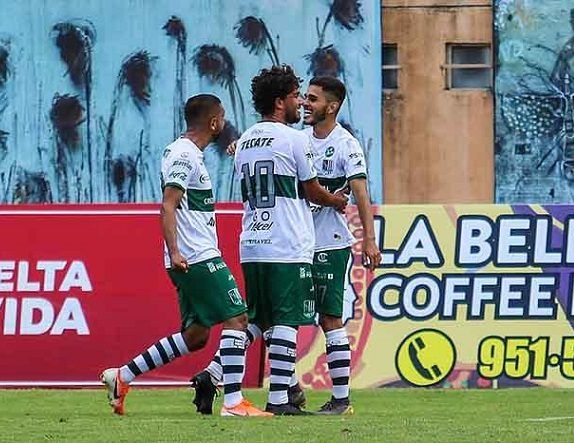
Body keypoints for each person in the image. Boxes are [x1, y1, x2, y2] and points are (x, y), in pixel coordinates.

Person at [100, 94, 271, 417]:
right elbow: (168, 203)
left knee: (195, 336)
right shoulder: (183, 154)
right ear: (212, 122)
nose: (223, 122)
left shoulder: (188, 152)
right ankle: (234, 403)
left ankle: (123, 375)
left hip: (190, 255)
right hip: (196, 256)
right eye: (221, 116)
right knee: (238, 318)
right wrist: (176, 251)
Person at [191, 65, 348, 416]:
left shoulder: (244, 139)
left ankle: (215, 373)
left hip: (252, 242)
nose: (299, 104)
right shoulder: (295, 140)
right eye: (295, 96)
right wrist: (338, 200)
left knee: (258, 320)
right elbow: (311, 190)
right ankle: (279, 399)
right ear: (280, 102)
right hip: (286, 241)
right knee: (287, 320)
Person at [302, 76, 381, 414]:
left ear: (331, 107)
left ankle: (341, 399)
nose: (306, 104)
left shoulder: (346, 145)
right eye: (305, 98)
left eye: (313, 99)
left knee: (330, 318)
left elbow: (361, 194)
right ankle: (286, 392)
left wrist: (370, 240)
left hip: (331, 244)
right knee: (281, 316)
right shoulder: (298, 139)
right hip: (297, 243)